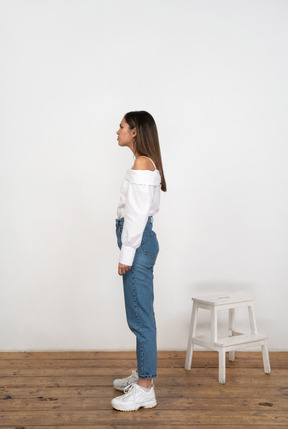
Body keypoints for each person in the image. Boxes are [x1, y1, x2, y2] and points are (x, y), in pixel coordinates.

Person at [111, 111, 167, 412]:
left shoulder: (142, 163)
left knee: (141, 319)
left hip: (138, 243)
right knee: (140, 315)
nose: (116, 130)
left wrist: (126, 255)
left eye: (121, 126)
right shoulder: (144, 162)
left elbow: (135, 215)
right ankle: (143, 374)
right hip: (141, 242)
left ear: (134, 132)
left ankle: (145, 388)